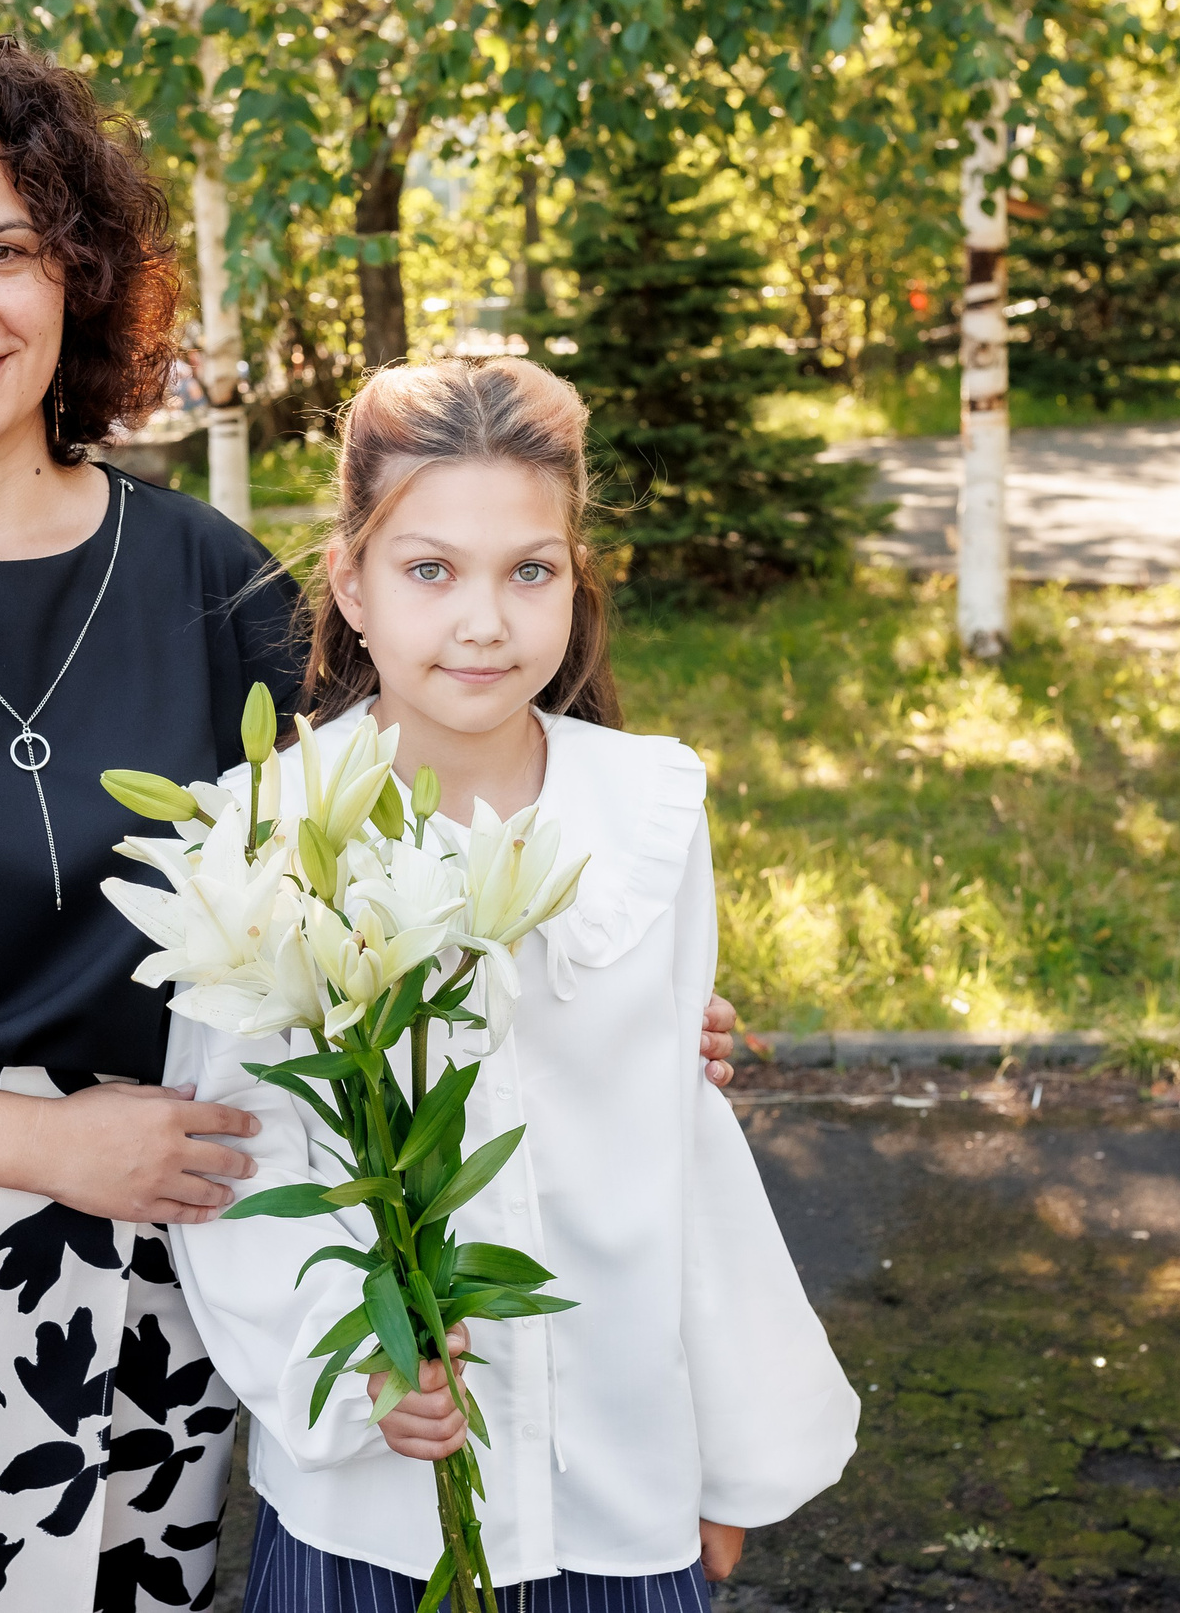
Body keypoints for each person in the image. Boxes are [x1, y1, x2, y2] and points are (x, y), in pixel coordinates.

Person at [0, 14, 746, 1611]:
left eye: (0, 246)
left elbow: (404, 855)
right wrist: (48, 1145)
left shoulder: (213, 578)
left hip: (170, 1297)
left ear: (75, 265)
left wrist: (612, 989)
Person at [167, 358, 860, 1611]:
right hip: (374, 1502)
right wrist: (358, 1374)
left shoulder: (644, 809)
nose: (483, 621)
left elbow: (679, 1150)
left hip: (617, 1480)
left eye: (527, 571)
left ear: (573, 583)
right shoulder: (272, 833)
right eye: (430, 569)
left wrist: (732, 1459)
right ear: (351, 583)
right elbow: (230, 1164)